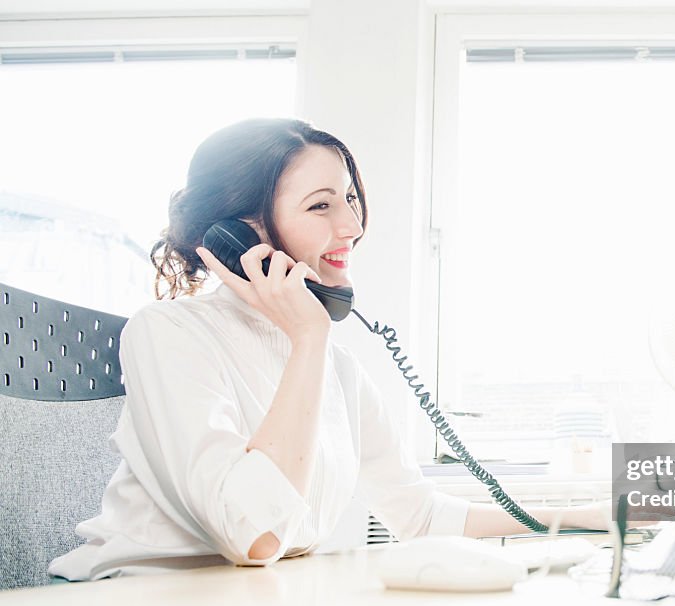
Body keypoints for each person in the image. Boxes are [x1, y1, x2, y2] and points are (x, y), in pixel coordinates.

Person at [49, 118, 608, 581]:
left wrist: (597, 516)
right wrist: (309, 337)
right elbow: (256, 535)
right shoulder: (169, 333)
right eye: (321, 207)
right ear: (236, 234)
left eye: (349, 199)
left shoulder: (335, 367)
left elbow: (419, 513)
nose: (352, 225)